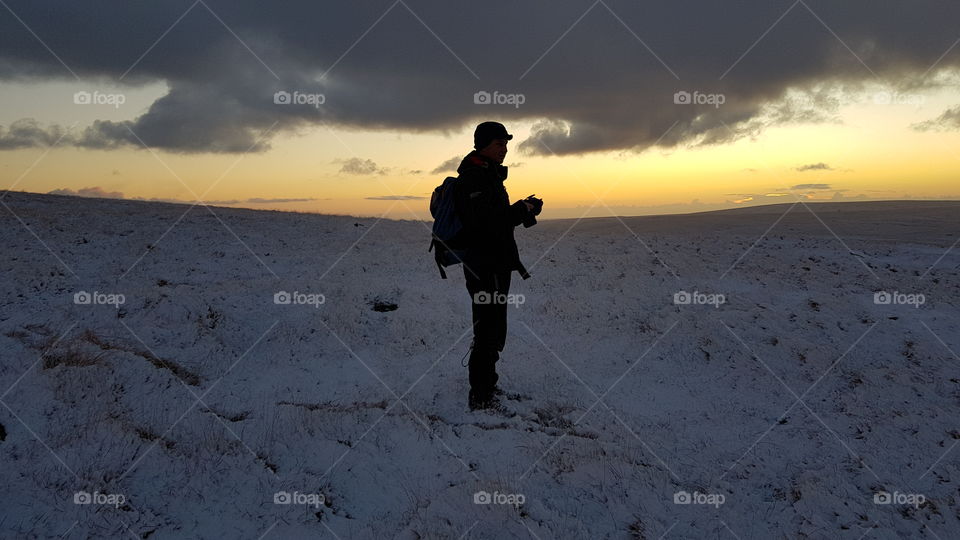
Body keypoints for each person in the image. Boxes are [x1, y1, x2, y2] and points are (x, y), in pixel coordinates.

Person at [453, 121, 542, 410]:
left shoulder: (488, 175)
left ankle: (487, 387)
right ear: (483, 145)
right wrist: (521, 210)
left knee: (494, 326)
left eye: (506, 144)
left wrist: (523, 210)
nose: (504, 150)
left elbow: (497, 216)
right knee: (488, 328)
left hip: (495, 263)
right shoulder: (473, 177)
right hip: (484, 265)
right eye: (499, 144)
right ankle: (480, 397)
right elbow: (486, 223)